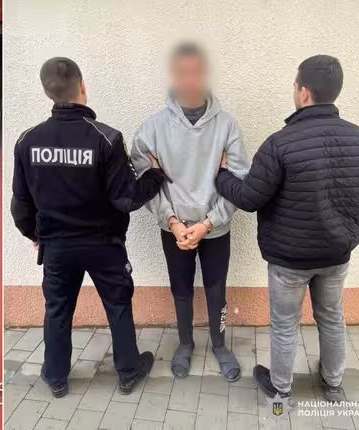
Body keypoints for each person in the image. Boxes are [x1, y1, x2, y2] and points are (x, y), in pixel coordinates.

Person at [215, 54, 359, 401]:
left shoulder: (280, 143)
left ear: (302, 92)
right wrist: (349, 237)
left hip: (289, 261)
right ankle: (333, 384)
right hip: (336, 256)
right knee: (332, 317)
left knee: (285, 325)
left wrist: (222, 175)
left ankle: (281, 389)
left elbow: (249, 198)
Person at [11, 57, 166, 397]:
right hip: (103, 245)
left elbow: (20, 206)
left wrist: (36, 234)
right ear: (82, 86)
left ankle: (55, 377)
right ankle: (128, 371)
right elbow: (127, 198)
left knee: (57, 309)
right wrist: (155, 176)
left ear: (46, 92)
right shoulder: (106, 138)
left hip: (57, 247)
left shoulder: (27, 141)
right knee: (118, 305)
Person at [129, 42, 250, 381]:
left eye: (197, 72)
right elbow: (145, 182)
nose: (190, 79)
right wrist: (171, 220)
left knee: (216, 289)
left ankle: (220, 345)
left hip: (216, 227)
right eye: (183, 72)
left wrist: (209, 222)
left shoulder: (227, 126)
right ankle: (184, 343)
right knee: (180, 289)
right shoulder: (152, 129)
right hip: (174, 229)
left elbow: (239, 181)